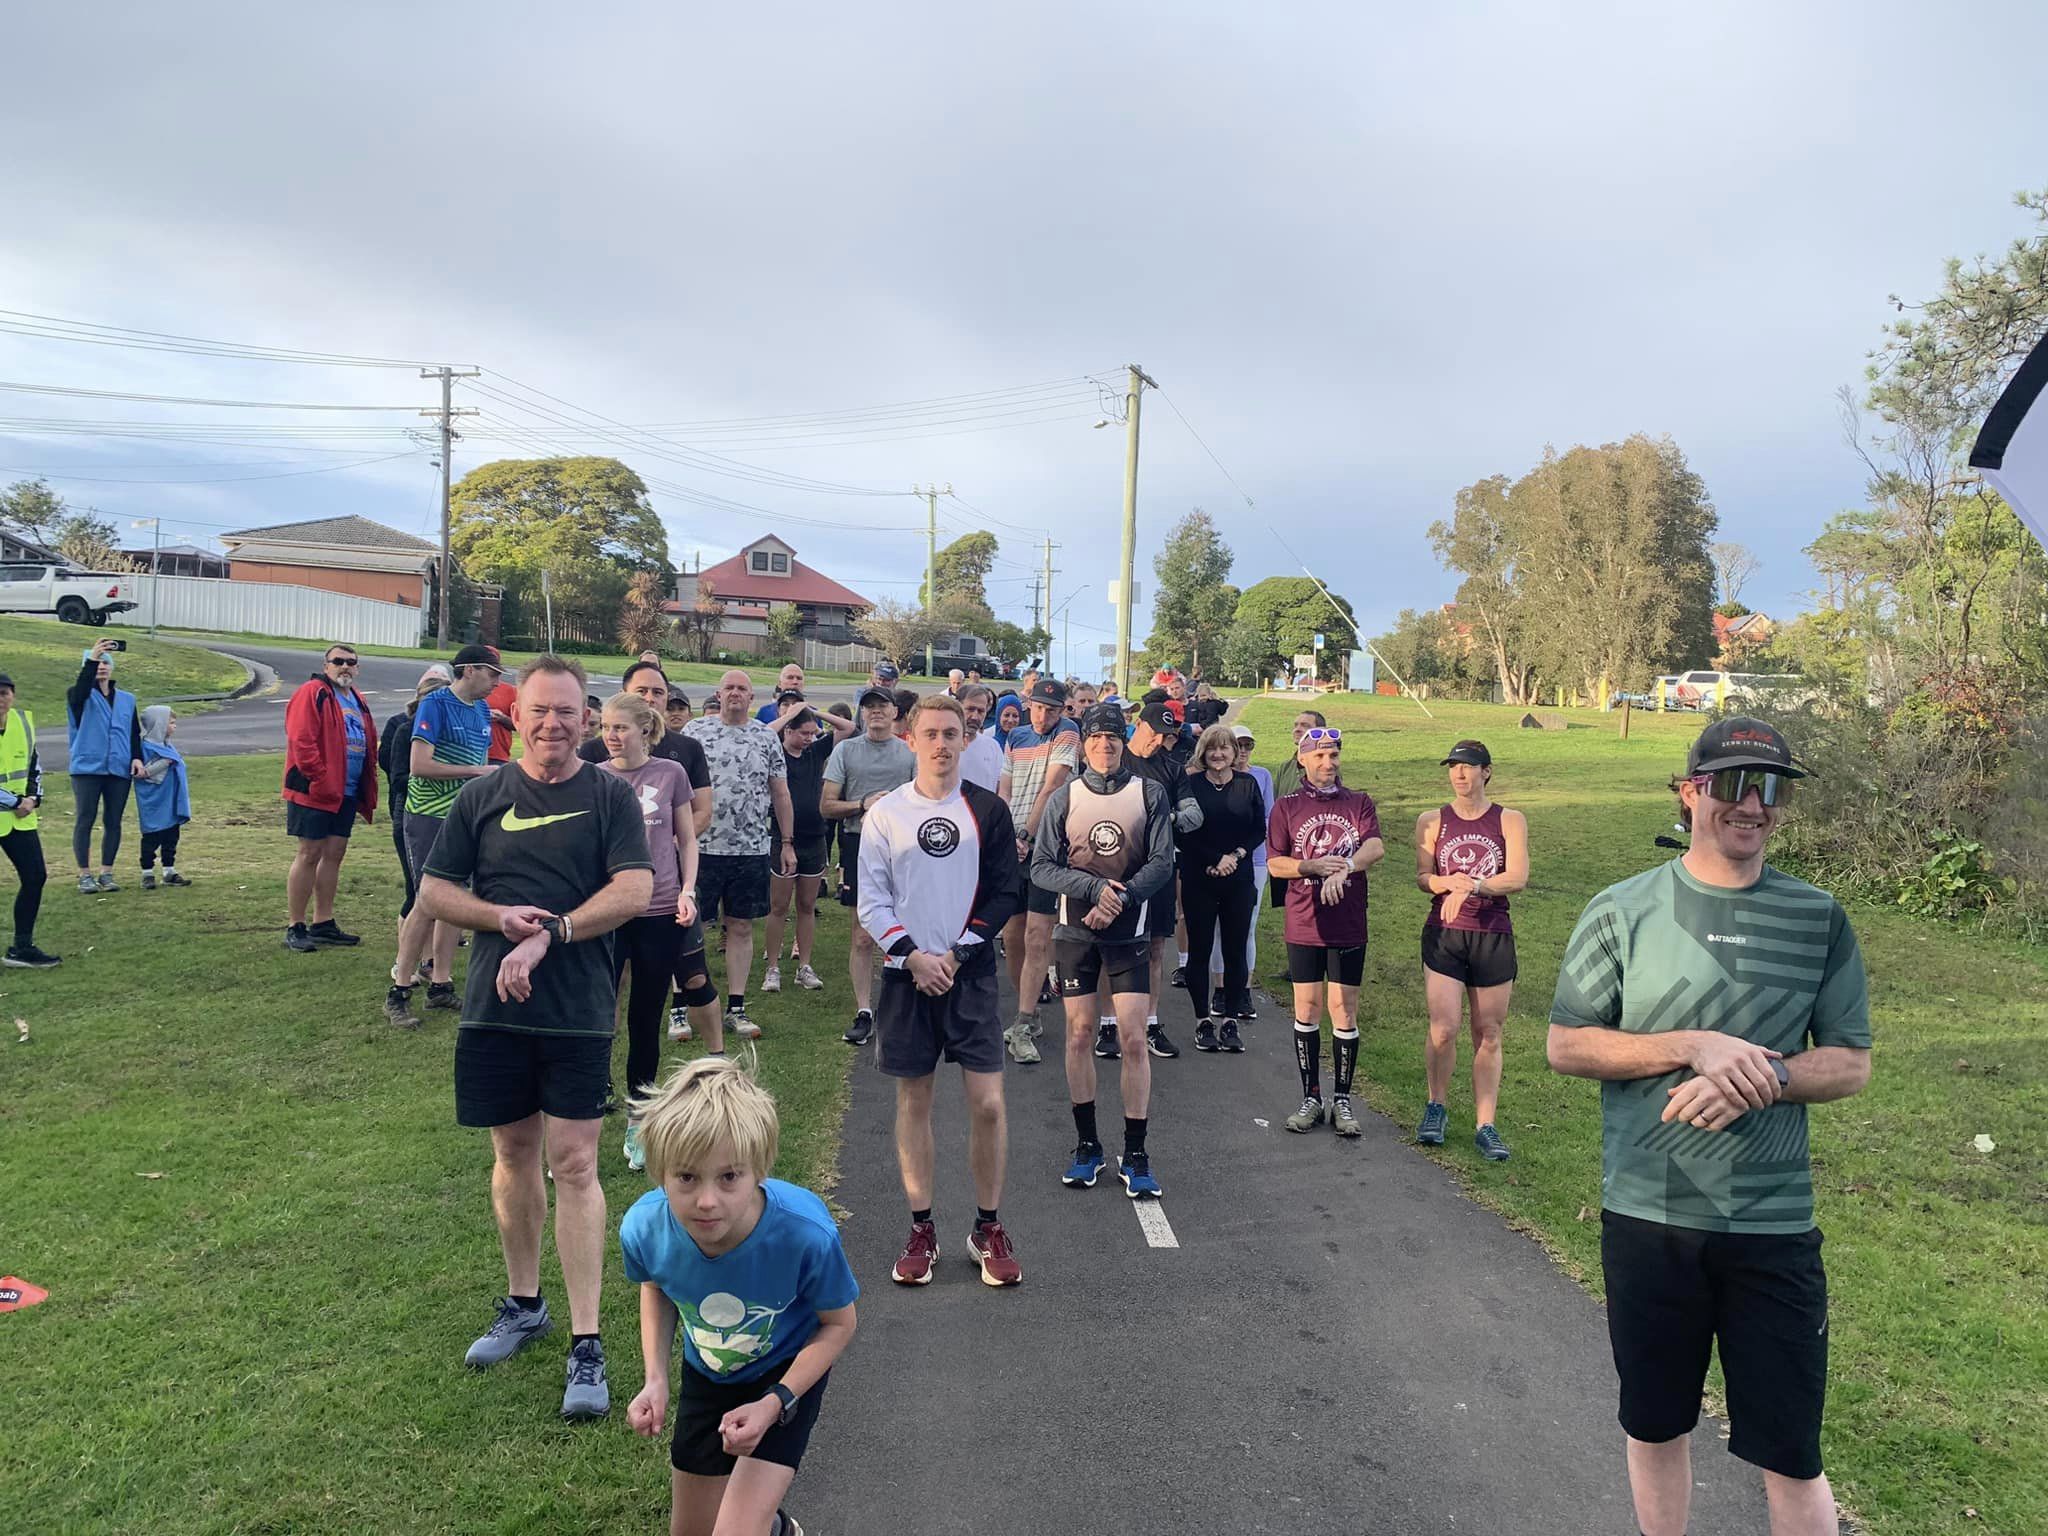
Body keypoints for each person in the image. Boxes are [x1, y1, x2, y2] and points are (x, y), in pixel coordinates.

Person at [1547, 717, 1871, 1536]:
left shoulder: (1818, 917)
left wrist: (1767, 1078)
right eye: (1732, 784)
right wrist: (1692, 1045)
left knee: (1791, 1451)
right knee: (1656, 1425)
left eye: (1771, 788)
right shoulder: (1622, 909)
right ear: (1690, 793)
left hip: (1772, 1226)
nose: (1752, 805)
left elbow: (1850, 1062)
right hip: (1650, 1217)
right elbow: (1567, 1044)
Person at [420, 654, 655, 1421]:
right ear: (515, 716)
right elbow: (435, 889)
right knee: (513, 1154)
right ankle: (524, 1305)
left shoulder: (609, 796)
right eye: (539, 711)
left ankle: (588, 1341)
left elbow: (635, 888)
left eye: (567, 712)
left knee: (575, 1162)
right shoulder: (483, 795)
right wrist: (498, 919)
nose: (553, 724)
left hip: (577, 1008)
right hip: (493, 1010)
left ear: (587, 719)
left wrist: (553, 931)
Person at [622, 1056, 859, 1536]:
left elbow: (839, 1324)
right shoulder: (644, 1228)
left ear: (759, 1171)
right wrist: (655, 1378)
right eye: (686, 1177)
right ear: (660, 1171)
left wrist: (775, 1402)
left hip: (784, 1373)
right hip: (709, 1372)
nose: (707, 1201)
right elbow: (656, 1287)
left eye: (729, 1177)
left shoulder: (805, 1235)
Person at [857, 694, 1025, 1287]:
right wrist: (912, 956)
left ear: (965, 740)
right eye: (929, 733)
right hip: (908, 979)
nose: (941, 744)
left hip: (968, 975)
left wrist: (955, 955)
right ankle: (921, 1229)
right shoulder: (886, 814)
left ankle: (987, 1227)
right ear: (911, 739)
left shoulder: (988, 810)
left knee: (989, 1104)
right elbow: (872, 901)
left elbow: (1006, 892)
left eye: (951, 733)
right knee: (914, 1103)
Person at [1033, 703, 1175, 1199]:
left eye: (1113, 736)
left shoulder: (1149, 793)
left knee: (1134, 1039)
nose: (1105, 744)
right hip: (1076, 932)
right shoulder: (1065, 796)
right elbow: (1042, 867)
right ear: (1085, 744)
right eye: (1095, 737)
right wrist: (1094, 890)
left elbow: (1162, 862)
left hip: (1129, 931)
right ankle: (1087, 1146)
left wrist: (1122, 898)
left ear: (1123, 741)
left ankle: (1136, 1153)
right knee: (1078, 1036)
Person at [595, 691, 711, 1168]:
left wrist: (688, 890)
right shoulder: (595, 777)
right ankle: (582, 1114)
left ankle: (639, 1120)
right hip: (607, 911)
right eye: (606, 727)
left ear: (645, 729)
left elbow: (687, 839)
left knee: (645, 1018)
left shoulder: (671, 773)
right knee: (595, 1012)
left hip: (660, 909)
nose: (611, 735)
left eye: (620, 727)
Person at [1267, 725, 1384, 1139]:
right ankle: (1311, 1097)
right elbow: (1275, 863)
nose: (1327, 763)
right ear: (1302, 759)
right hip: (1304, 920)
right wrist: (1313, 867)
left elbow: (1374, 847)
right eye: (1318, 756)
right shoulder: (1287, 806)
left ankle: (1343, 1100)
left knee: (1344, 1009)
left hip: (1348, 921)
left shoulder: (1359, 802)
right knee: (1307, 1007)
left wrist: (1345, 867)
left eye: (1333, 755)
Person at [1415, 740, 1528, 1161]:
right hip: (1444, 934)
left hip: (1492, 934)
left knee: (1489, 1033)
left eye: (1467, 766)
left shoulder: (1509, 819)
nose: (1459, 774)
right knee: (1444, 1028)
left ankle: (1486, 1125)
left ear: (1487, 772)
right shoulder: (1432, 820)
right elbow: (1423, 876)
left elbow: (1517, 877)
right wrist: (1446, 883)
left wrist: (1474, 886)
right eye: (1453, 767)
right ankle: (1436, 1107)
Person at [383, 646, 498, 1025]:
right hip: (428, 816)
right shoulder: (435, 704)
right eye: (492, 673)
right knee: (427, 900)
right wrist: (476, 772)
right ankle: (399, 989)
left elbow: (480, 763)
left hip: (465, 818)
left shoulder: (482, 710)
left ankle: (441, 985)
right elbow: (419, 765)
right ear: (469, 670)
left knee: (456, 899)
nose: (498, 681)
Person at [685, 671, 797, 1041]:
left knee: (741, 927)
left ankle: (736, 1007)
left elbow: (780, 793)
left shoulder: (766, 737)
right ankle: (682, 1007)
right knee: (688, 928)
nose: (735, 693)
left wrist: (787, 842)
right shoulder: (695, 732)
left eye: (742, 689)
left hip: (749, 849)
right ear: (718, 694)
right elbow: (677, 789)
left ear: (752, 697)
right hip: (700, 848)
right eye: (729, 688)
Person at [821, 688, 915, 1046]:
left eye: (882, 706)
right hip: (858, 843)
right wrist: (862, 804)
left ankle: (902, 1005)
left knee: (905, 926)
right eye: (869, 707)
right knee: (862, 933)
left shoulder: (908, 753)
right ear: (862, 714)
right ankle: (864, 1011)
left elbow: (924, 800)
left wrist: (891, 808)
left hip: (902, 846)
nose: (875, 712)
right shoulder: (846, 750)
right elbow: (827, 806)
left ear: (894, 712)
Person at [996, 679, 1079, 1064]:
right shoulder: (1016, 737)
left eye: (1053, 709)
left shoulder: (1068, 732)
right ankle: (1027, 1011)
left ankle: (1024, 1020)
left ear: (1062, 710)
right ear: (1029, 704)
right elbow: (1005, 789)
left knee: (1036, 934)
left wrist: (1026, 835)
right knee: (1012, 934)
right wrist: (1005, 833)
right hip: (1013, 843)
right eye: (1040, 707)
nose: (1044, 716)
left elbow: (1052, 787)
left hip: (1046, 845)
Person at [282, 643, 377, 950]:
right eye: (338, 661)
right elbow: (301, 740)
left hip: (345, 791)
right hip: (316, 790)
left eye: (351, 662)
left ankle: (323, 922)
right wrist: (320, 778)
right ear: (326, 666)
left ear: (357, 668)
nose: (344, 666)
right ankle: (295, 925)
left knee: (335, 853)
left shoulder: (357, 698)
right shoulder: (313, 692)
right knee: (309, 853)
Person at [1179, 723, 1267, 1055]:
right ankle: (1202, 1020)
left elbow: (1258, 828)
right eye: (1212, 748)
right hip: (1199, 876)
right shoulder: (1190, 785)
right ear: (1203, 752)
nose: (1218, 754)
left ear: (1234, 752)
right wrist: (1214, 859)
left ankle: (1230, 1020)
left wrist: (1236, 856)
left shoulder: (1247, 784)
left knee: (1235, 949)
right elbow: (1182, 832)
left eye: (1225, 748)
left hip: (1238, 878)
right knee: (1200, 950)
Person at [1120, 702, 1199, 1061]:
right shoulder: (1115, 759)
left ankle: (1150, 1022)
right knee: (1113, 948)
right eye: (1152, 733)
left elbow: (1194, 815)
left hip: (1159, 867)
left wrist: (1166, 817)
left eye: (1164, 736)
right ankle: (1109, 1024)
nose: (1157, 741)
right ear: (1138, 725)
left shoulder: (1171, 768)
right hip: (1117, 866)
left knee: (1154, 947)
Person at [761, 708, 833, 996]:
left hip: (814, 838)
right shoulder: (776, 753)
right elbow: (765, 733)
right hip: (783, 838)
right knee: (778, 906)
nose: (809, 738)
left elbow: (847, 728)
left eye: (813, 733)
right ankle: (772, 968)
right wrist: (791, 712)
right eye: (803, 733)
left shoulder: (814, 752)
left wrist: (813, 712)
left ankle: (804, 966)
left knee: (806, 905)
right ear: (788, 731)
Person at [65, 636, 143, 894]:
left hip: (118, 768)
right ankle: (84, 874)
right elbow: (80, 690)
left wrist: (136, 757)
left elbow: (133, 732)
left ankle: (107, 873)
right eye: (98, 662)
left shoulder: (127, 699)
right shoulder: (79, 696)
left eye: (106, 662)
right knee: (85, 818)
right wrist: (92, 658)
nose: (102, 666)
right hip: (87, 768)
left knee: (113, 820)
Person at [1207, 724, 1273, 1019]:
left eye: (1248, 745)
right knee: (1219, 928)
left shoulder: (1261, 776)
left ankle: (1243, 990)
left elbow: (1266, 819)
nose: (1243, 751)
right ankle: (1221, 989)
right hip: (1217, 861)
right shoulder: (1212, 779)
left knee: (1247, 926)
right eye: (1239, 745)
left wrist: (1242, 852)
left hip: (1254, 860)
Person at [380, 664, 451, 921]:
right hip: (412, 811)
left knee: (449, 888)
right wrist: (440, 775)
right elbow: (396, 775)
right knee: (418, 892)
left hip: (443, 812)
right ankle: (407, 947)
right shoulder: (403, 728)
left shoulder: (450, 731)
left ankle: (442, 944)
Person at [0, 673, 57, 966]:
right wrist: (15, 802)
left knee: (35, 876)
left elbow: (33, 765)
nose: (0, 699)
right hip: (13, 808)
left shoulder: (22, 723)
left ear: (12, 695)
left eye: (4, 693)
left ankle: (22, 947)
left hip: (18, 818)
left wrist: (34, 798)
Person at [1266, 708, 1326, 919]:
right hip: (1285, 847)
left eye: (1305, 726)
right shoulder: (1286, 767)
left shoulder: (1324, 768)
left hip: (1312, 846)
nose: (1298, 729)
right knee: (1290, 905)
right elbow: (1275, 804)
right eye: (1296, 725)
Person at [135, 706, 192, 889]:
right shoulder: (144, 747)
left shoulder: (167, 746)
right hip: (154, 801)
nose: (175, 726)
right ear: (159, 724)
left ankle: (169, 871)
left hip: (171, 799)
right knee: (151, 836)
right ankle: (147, 872)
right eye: (171, 723)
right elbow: (143, 773)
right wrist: (166, 762)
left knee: (171, 835)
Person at [955, 683, 1003, 792]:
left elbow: (1000, 787)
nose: (975, 717)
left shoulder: (993, 747)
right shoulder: (945, 746)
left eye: (981, 711)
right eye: (970, 709)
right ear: (957, 707)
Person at [483, 651, 518, 765]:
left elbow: (520, 725)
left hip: (498, 754)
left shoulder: (509, 690)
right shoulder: (467, 690)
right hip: (470, 753)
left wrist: (502, 718)